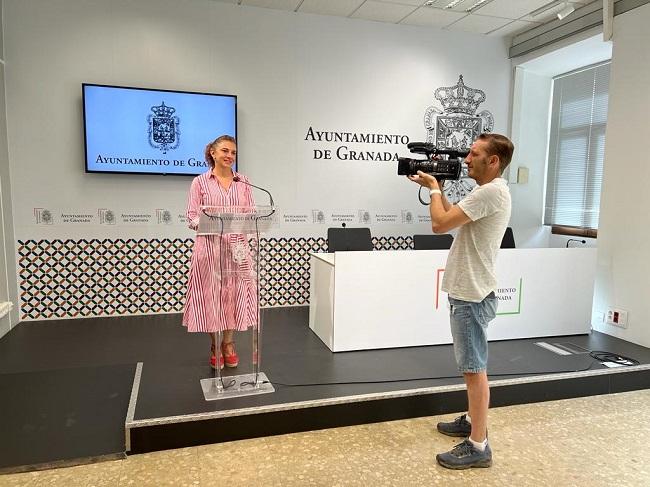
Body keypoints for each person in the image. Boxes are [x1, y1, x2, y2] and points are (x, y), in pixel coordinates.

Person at [408, 133, 514, 470]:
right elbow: (453, 216)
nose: (465, 159)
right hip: (470, 289)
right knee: (473, 366)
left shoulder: (491, 192)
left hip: (471, 293)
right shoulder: (489, 192)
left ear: (493, 161)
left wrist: (435, 188)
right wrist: (436, 186)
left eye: (474, 154)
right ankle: (472, 420)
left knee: (474, 370)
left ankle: (478, 445)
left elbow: (440, 223)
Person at [182, 135, 257, 370]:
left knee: (234, 297)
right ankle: (215, 345)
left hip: (237, 250)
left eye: (233, 152)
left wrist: (244, 224)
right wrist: (207, 224)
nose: (229, 156)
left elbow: (252, 212)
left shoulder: (243, 181)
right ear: (212, 153)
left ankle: (229, 344)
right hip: (210, 248)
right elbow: (191, 216)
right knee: (212, 298)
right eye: (225, 151)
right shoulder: (200, 182)